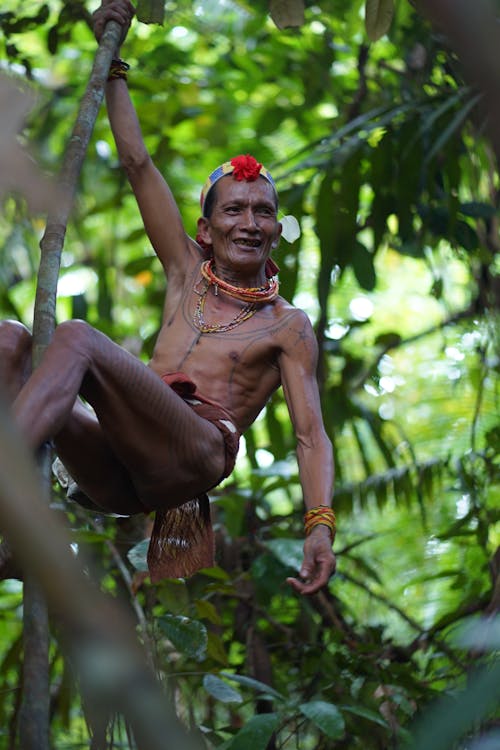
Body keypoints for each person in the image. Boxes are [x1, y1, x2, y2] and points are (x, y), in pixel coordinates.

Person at [0, 0, 336, 594]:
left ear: (277, 230)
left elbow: (310, 434)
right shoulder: (186, 270)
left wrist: (319, 526)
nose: (249, 222)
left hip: (190, 457)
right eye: (234, 209)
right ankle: (22, 535)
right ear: (206, 230)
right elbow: (136, 162)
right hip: (119, 466)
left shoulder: (287, 326)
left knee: (77, 337)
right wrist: (113, 64)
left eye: (263, 212)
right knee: (9, 343)